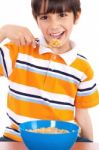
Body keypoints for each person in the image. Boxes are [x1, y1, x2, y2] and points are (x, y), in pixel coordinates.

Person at [0, 0, 99, 142]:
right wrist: (3, 31)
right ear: (36, 20)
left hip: (63, 141)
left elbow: (82, 114)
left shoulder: (82, 68)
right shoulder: (18, 51)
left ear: (76, 16)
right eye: (45, 17)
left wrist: (90, 144)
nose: (54, 26)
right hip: (18, 139)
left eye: (62, 15)